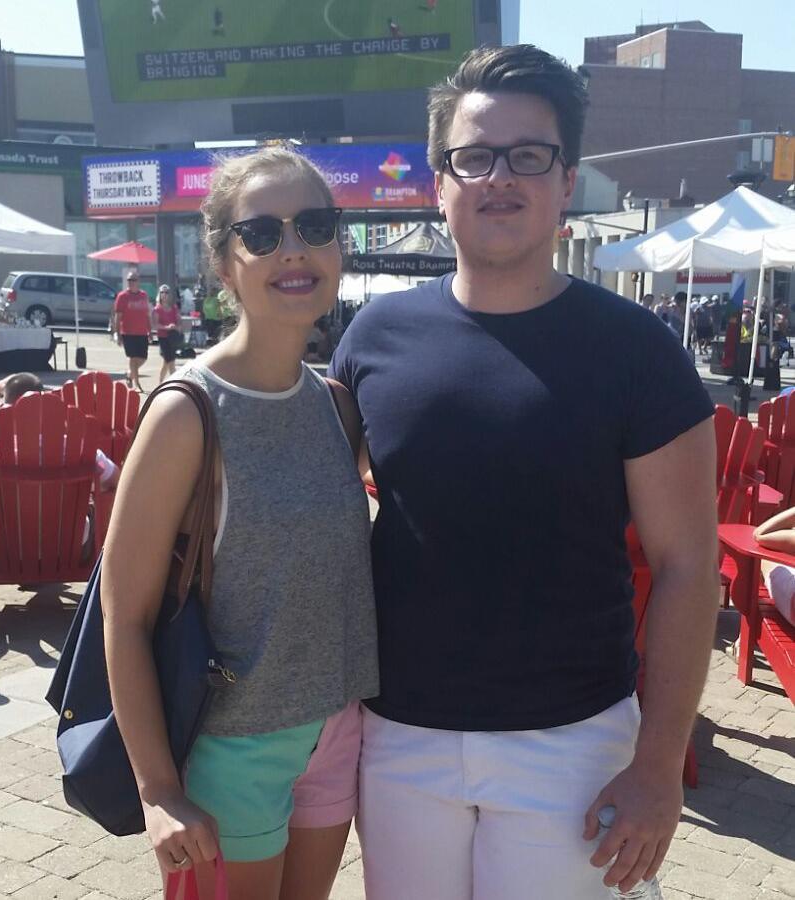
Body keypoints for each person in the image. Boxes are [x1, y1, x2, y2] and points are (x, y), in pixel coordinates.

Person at [329, 44, 718, 900]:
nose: (498, 177)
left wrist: (658, 768)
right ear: (439, 182)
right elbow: (311, 508)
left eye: (528, 155)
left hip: (573, 743)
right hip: (401, 738)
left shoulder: (638, 352)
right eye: (473, 156)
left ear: (565, 178)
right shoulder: (372, 339)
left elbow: (691, 567)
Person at [101, 146, 378, 900]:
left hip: (339, 728)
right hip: (238, 745)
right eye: (261, 233)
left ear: (339, 247)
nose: (292, 249)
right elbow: (123, 618)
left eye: (314, 226)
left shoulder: (337, 405)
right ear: (223, 264)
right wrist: (158, 788)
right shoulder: (186, 413)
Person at [0, 373, 119, 494]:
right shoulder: (77, 448)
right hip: (70, 536)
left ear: (5, 409)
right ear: (46, 409)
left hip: (7, 532)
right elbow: (116, 479)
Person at [111, 271, 152, 392]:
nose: (131, 282)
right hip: (128, 332)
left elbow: (147, 314)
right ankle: (137, 384)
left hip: (142, 332)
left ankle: (130, 374)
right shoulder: (122, 296)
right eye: (129, 280)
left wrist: (150, 331)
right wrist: (117, 334)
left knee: (143, 358)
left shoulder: (143, 295)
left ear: (138, 282)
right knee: (133, 358)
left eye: (133, 280)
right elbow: (117, 317)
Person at [153, 283, 182, 383]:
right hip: (163, 338)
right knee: (171, 361)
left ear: (169, 295)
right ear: (159, 294)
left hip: (173, 337)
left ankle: (160, 382)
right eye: (162, 292)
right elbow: (156, 325)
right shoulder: (157, 309)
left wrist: (177, 326)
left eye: (166, 292)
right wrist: (167, 327)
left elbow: (179, 321)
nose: (164, 294)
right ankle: (174, 383)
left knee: (166, 361)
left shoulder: (174, 308)